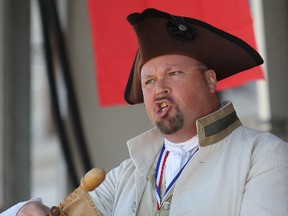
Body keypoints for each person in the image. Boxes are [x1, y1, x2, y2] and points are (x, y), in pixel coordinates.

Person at [2, 8, 288, 216]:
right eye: (148, 81)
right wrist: (24, 211)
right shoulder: (126, 175)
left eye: (173, 74)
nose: (159, 89)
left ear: (210, 80)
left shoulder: (263, 156)